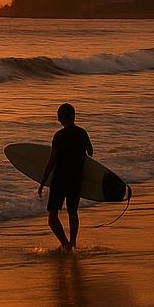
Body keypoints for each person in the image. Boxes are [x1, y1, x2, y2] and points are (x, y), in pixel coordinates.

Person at [38, 103, 92, 251]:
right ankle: (73, 242)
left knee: (53, 216)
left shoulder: (59, 136)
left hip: (60, 179)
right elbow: (91, 152)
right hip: (76, 178)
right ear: (73, 116)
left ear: (60, 118)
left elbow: (52, 160)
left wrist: (42, 182)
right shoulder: (82, 133)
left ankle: (65, 243)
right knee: (72, 211)